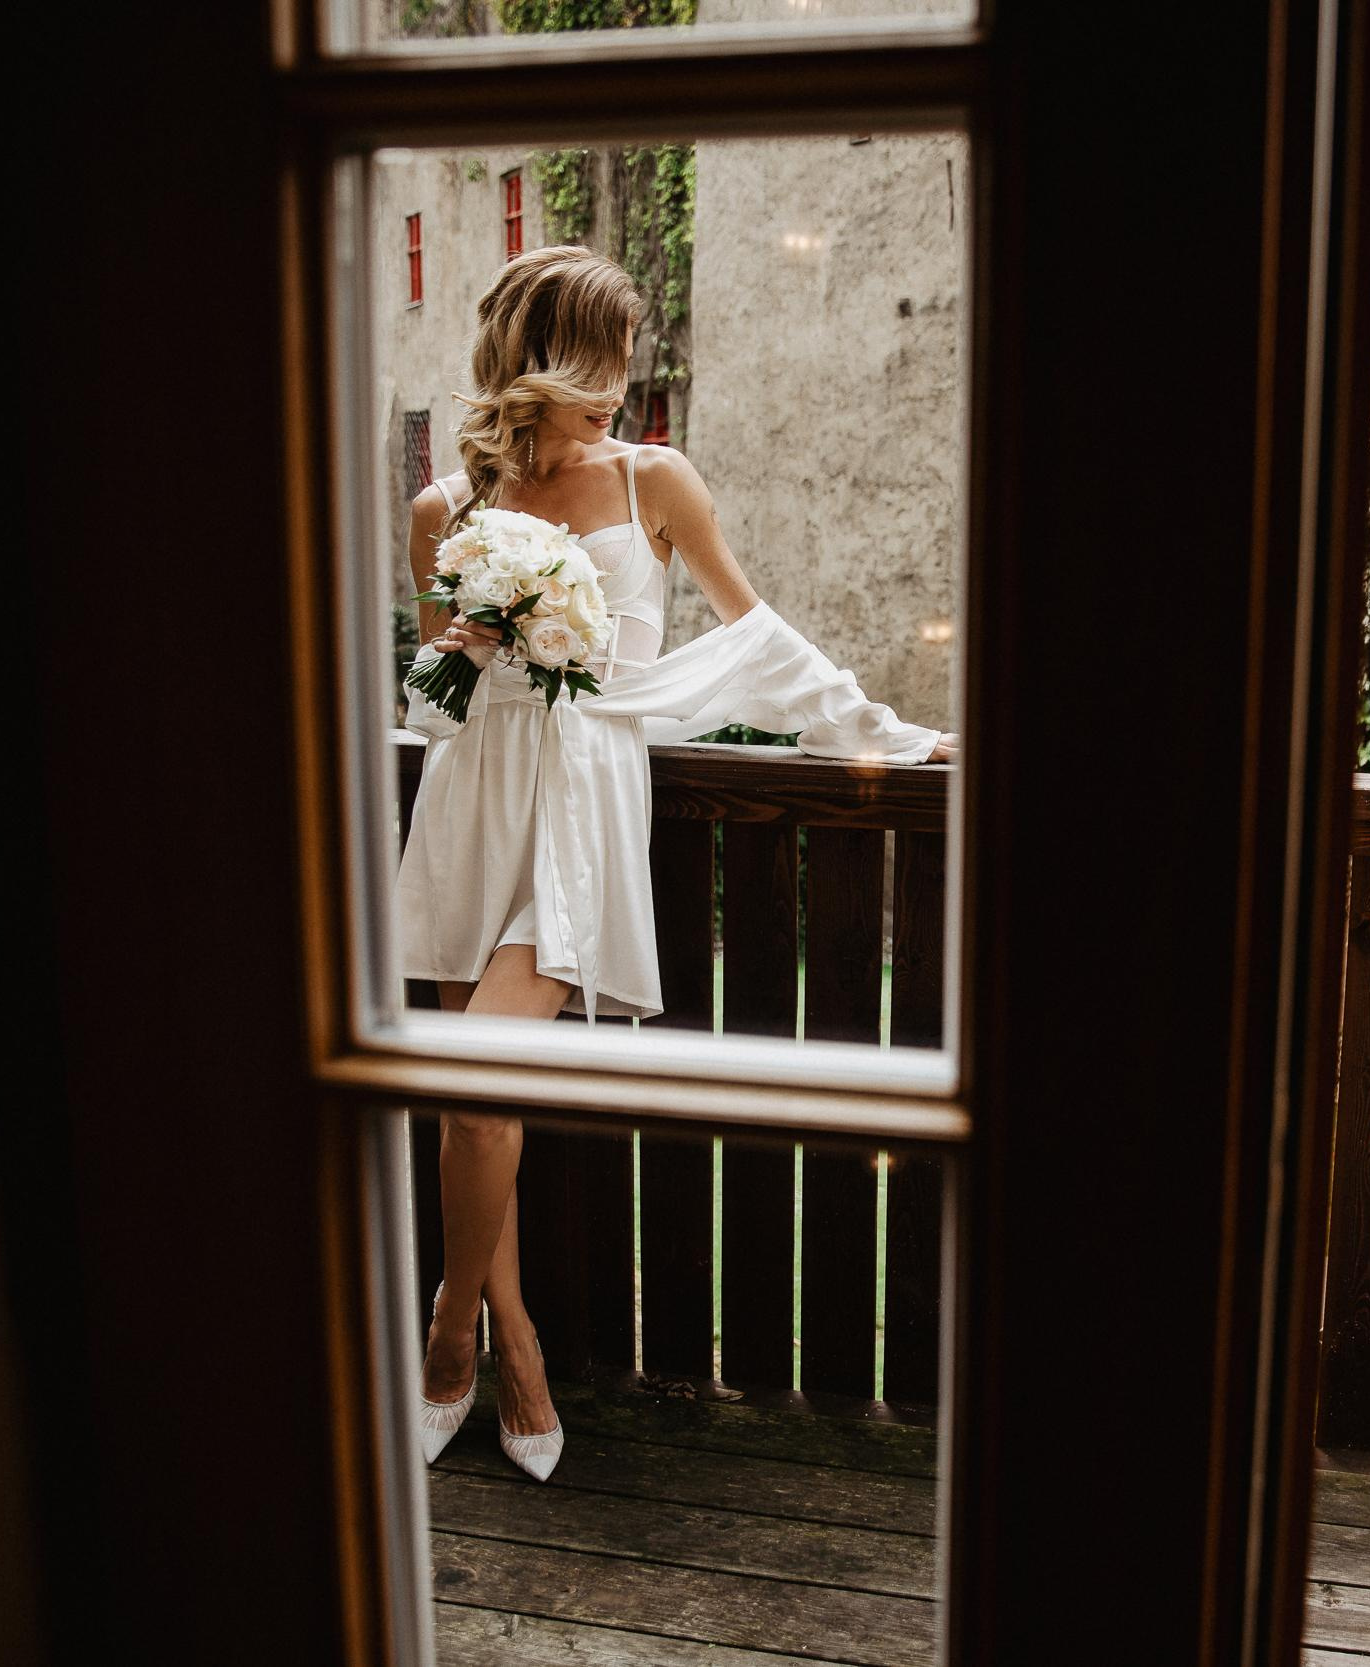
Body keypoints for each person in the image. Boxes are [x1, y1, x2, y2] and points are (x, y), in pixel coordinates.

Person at [395, 245, 960, 1481]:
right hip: (470, 797)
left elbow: (757, 635)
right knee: (470, 1105)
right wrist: (480, 632)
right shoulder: (448, 508)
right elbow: (431, 697)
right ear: (535, 362)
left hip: (586, 800)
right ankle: (512, 1339)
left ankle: (458, 1333)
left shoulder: (656, 479)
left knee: (478, 1091)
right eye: (595, 364)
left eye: (626, 362)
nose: (619, 387)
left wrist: (888, 732)